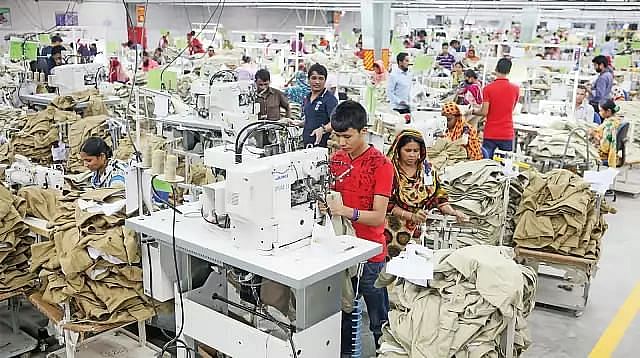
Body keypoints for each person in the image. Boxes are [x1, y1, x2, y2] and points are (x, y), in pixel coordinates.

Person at [325, 101, 394, 356]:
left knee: (378, 318)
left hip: (370, 253)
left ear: (363, 131)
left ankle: (383, 351)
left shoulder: (381, 165)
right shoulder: (337, 160)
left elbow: (377, 217)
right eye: (337, 136)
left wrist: (345, 212)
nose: (341, 143)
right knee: (343, 313)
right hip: (341, 249)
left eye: (347, 137)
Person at [385, 129, 468, 258]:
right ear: (398, 149)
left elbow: (438, 196)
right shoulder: (389, 170)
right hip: (390, 231)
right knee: (387, 270)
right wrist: (411, 216)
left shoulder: (427, 171)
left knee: (411, 268)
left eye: (415, 151)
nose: (412, 155)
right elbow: (386, 203)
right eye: (407, 150)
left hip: (415, 232)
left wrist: (453, 212)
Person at [474, 58, 520, 158]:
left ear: (496, 69)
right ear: (509, 71)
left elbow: (484, 111)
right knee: (506, 165)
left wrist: (473, 111)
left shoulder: (488, 89)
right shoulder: (516, 89)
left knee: (486, 164)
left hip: (491, 132)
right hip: (506, 132)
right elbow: (511, 109)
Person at [302, 63, 338, 147]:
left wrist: (323, 129)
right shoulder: (307, 97)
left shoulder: (329, 99)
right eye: (314, 78)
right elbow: (312, 119)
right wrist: (297, 123)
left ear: (325, 80)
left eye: (321, 78)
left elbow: (336, 122)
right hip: (307, 144)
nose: (317, 82)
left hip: (322, 146)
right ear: (308, 80)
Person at [591, 99, 622, 167]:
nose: (599, 112)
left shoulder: (610, 126)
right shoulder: (616, 120)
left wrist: (595, 136)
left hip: (605, 155)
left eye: (601, 110)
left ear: (608, 111)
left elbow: (605, 148)